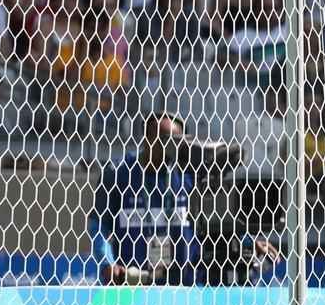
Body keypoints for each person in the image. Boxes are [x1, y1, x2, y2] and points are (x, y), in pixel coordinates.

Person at [90, 113, 275, 286]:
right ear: (146, 138)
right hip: (134, 286)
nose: (170, 146)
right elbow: (99, 226)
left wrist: (248, 243)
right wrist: (108, 263)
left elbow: (215, 220)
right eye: (163, 138)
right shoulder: (118, 173)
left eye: (176, 141)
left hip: (186, 291)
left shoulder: (191, 173)